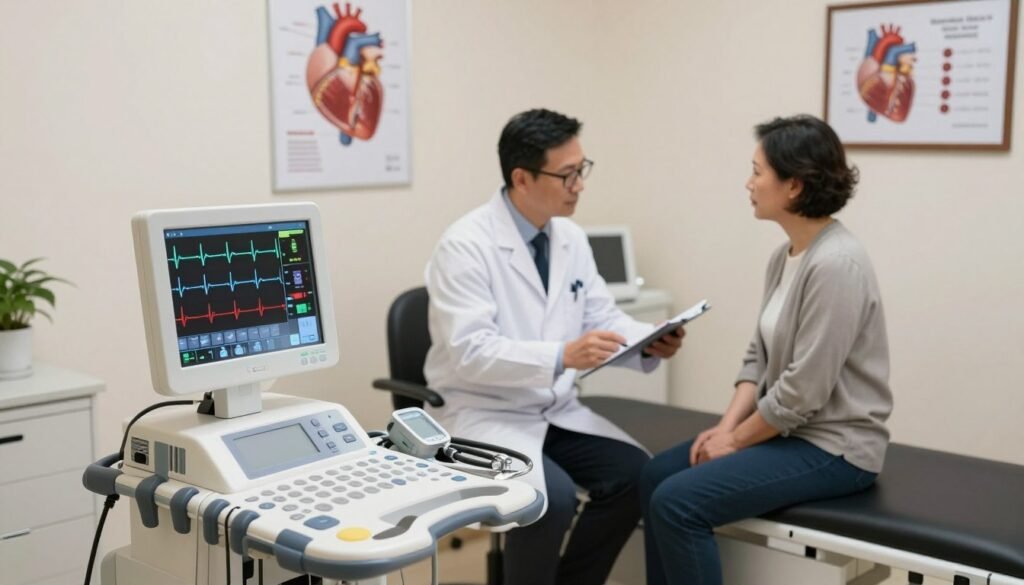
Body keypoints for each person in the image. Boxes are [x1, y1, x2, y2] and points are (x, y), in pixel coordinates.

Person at [423, 108, 685, 585]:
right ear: (522, 178)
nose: (579, 184)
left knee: (635, 477)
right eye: (567, 174)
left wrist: (648, 342)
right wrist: (563, 356)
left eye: (581, 170)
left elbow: (602, 316)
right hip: (483, 413)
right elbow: (470, 351)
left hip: (553, 408)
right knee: (550, 501)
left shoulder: (570, 238)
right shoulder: (464, 246)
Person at [638, 114, 894, 585]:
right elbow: (757, 358)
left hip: (836, 449)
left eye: (757, 171)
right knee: (656, 477)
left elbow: (803, 392)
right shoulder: (786, 256)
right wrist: (723, 428)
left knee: (677, 503)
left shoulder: (837, 265)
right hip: (789, 433)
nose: (748, 183)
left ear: (793, 185)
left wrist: (734, 443)